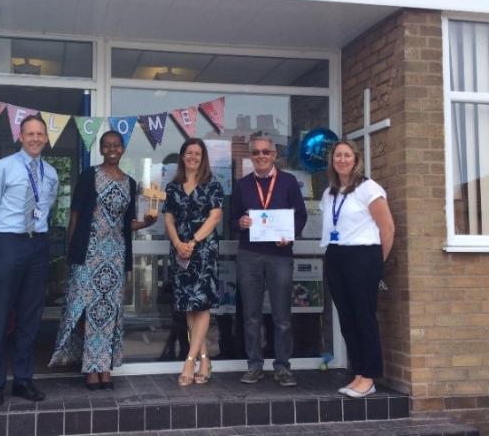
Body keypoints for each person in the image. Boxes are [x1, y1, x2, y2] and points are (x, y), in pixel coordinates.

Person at [48, 130, 156, 390]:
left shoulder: (130, 183)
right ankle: (91, 368)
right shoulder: (89, 176)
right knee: (88, 310)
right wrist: (72, 253)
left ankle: (105, 367)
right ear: (101, 149)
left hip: (115, 255)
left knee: (109, 312)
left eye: (116, 145)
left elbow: (127, 223)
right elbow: (75, 216)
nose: (112, 149)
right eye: (107, 145)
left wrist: (146, 223)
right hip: (89, 254)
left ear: (123, 149)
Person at [0, 115, 59, 406]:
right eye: (30, 133)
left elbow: (47, 206)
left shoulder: (51, 173)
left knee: (30, 315)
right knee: (1, 314)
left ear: (46, 138)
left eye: (40, 134)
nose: (35, 138)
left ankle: (23, 380)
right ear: (20, 137)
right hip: (8, 241)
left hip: (38, 243)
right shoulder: (3, 167)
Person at [319, 139, 394, 398]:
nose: (342, 160)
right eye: (337, 155)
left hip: (363, 256)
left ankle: (369, 376)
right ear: (332, 161)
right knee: (347, 319)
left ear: (356, 159)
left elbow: (387, 228)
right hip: (336, 255)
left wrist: (377, 264)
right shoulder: (329, 193)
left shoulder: (368, 188)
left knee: (364, 318)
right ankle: (359, 373)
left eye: (347, 155)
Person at [230, 135, 307, 386]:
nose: (261, 156)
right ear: (250, 157)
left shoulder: (288, 182)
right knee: (250, 314)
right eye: (256, 152)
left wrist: (290, 235)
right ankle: (254, 365)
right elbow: (231, 221)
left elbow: (301, 216)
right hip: (249, 255)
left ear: (274, 155)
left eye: (265, 152)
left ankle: (282, 366)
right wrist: (240, 223)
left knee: (282, 316)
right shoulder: (242, 185)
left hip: (279, 255)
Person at [163, 138, 223, 386]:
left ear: (203, 157)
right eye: (189, 152)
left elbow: (215, 216)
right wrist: (179, 243)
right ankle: (204, 359)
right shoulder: (173, 186)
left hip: (203, 250)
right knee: (189, 306)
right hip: (181, 252)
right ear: (182, 156)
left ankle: (190, 361)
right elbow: (168, 219)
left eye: (197, 153)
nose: (193, 157)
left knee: (202, 304)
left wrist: (193, 241)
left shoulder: (212, 184)